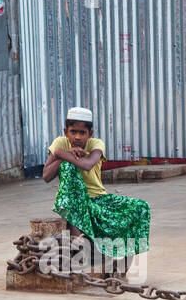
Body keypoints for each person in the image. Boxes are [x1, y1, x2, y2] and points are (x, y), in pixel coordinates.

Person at [42, 106, 150, 272]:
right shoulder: (60, 143)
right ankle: (77, 244)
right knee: (69, 168)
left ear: (90, 133)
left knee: (141, 207)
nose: (77, 137)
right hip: (72, 200)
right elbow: (46, 176)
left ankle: (124, 266)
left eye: (82, 132)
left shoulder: (96, 144)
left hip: (98, 198)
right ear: (66, 131)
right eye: (73, 132)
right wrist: (64, 154)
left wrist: (61, 153)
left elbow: (86, 165)